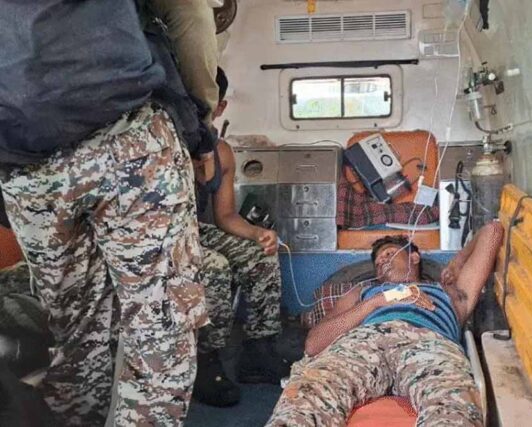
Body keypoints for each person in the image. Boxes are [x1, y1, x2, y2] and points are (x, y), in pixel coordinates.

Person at [0, 1, 211, 425]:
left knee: (73, 330)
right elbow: (190, 13)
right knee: (160, 327)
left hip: (23, 158)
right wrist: (198, 119)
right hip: (124, 136)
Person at [266, 222, 504, 426]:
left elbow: (493, 231)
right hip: (363, 343)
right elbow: (314, 345)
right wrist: (377, 301)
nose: (382, 262)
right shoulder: (364, 293)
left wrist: (457, 262)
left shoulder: (449, 292)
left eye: (389, 254)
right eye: (378, 262)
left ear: (414, 257)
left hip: (429, 343)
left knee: (452, 404)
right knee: (309, 394)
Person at [191, 68, 291, 407]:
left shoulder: (221, 152)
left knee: (260, 253)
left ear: (220, 107)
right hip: (165, 234)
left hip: (199, 230)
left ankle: (258, 352)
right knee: (216, 266)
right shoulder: (166, 146)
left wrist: (259, 233)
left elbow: (225, 217)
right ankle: (207, 360)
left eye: (206, 105)